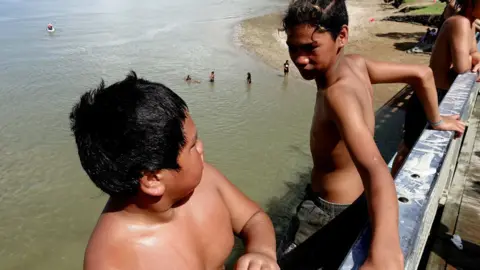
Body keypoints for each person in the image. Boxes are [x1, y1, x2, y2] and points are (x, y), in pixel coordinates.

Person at [277, 1, 465, 269]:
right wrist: (436, 120)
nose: (299, 59)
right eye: (292, 48)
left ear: (342, 36)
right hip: (359, 202)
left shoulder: (336, 94)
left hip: (326, 214)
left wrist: (384, 252)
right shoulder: (357, 65)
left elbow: (377, 171)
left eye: (310, 48)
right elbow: (421, 74)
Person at [70, 71, 279, 270]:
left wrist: (262, 251)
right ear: (152, 178)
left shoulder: (207, 180)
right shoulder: (112, 259)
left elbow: (254, 218)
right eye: (192, 145)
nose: (202, 147)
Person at [392, 0, 475, 175]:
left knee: (411, 148)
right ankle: (389, 192)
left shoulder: (470, 22)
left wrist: (472, 56)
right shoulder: (459, 22)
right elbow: (462, 67)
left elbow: (473, 53)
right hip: (431, 95)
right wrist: (470, 57)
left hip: (441, 94)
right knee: (408, 148)